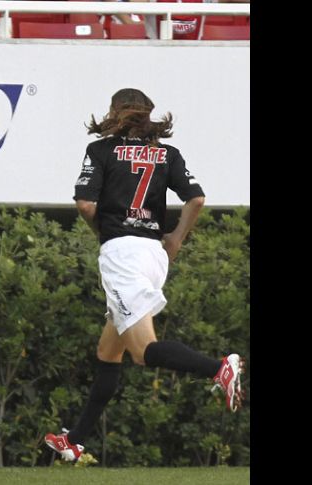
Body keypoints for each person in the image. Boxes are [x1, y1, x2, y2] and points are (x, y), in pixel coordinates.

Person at [43, 88, 244, 463]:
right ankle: (76, 441)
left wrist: (103, 232)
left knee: (143, 352)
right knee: (108, 351)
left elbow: (86, 204)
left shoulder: (102, 150)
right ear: (149, 116)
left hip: (123, 254)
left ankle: (219, 368)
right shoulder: (168, 154)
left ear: (114, 113)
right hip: (154, 254)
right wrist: (176, 239)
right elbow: (196, 199)